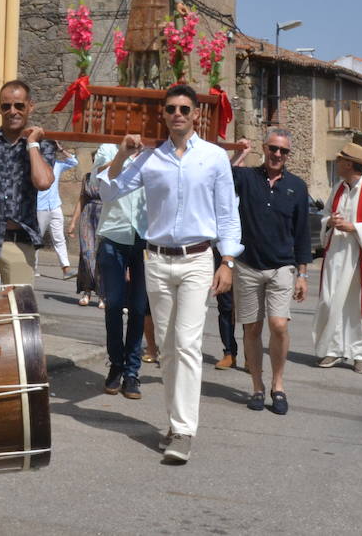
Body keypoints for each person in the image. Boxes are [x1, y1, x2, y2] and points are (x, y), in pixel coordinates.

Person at [99, 84, 241, 465]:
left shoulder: (213, 158)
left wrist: (227, 261)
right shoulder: (149, 159)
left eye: (184, 108)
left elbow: (228, 213)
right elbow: (108, 193)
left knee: (188, 342)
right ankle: (174, 422)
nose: (177, 114)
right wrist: (121, 157)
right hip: (157, 260)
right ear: (163, 115)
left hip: (197, 258)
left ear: (196, 114)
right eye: (170, 109)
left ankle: (183, 430)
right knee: (165, 346)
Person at [230, 130, 310, 414]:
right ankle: (256, 387)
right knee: (251, 328)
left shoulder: (297, 187)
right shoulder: (248, 178)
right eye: (273, 149)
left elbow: (302, 233)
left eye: (283, 151)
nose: (277, 155)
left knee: (278, 325)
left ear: (289, 155)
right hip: (248, 264)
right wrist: (240, 153)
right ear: (264, 149)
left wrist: (302, 273)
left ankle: (278, 385)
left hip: (282, 267)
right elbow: (224, 178)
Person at [313, 142, 362, 375]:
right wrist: (329, 222)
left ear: (348, 164)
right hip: (336, 256)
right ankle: (334, 350)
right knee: (331, 301)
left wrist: (353, 227)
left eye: (339, 160)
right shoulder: (338, 187)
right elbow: (325, 214)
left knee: (361, 305)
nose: (337, 164)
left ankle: (359, 355)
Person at [0, 80, 57, 286]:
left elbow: (42, 182)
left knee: (19, 313)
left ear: (30, 106)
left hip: (19, 244)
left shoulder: (44, 146)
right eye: (6, 106)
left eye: (19, 106)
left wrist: (32, 144)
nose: (12, 111)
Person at [92, 143, 149, 399]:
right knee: (114, 304)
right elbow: (99, 179)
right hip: (114, 234)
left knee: (138, 308)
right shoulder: (108, 148)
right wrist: (123, 154)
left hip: (144, 237)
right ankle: (116, 364)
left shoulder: (156, 152)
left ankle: (132, 372)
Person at [35, 147, 78, 278]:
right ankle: (32, 268)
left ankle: (66, 269)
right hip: (39, 207)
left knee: (59, 238)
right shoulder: (36, 167)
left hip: (54, 206)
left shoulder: (58, 165)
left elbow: (74, 162)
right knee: (36, 240)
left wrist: (62, 150)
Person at [66, 162, 103, 307]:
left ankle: (102, 294)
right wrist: (73, 222)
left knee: (101, 255)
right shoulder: (87, 177)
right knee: (87, 253)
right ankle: (87, 291)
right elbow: (82, 199)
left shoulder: (111, 176)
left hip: (104, 216)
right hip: (88, 215)